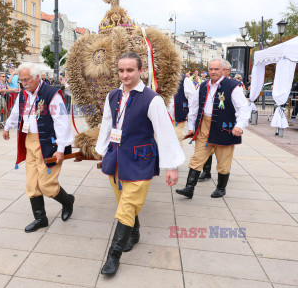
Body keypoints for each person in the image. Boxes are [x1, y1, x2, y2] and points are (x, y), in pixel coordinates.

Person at [95, 52, 183, 276]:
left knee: (126, 207)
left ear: (140, 71)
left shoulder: (152, 99)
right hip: (115, 159)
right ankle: (134, 233)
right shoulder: (113, 96)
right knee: (125, 203)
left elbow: (164, 132)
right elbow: (107, 123)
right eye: (121, 70)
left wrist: (171, 165)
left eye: (130, 70)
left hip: (140, 160)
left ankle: (113, 257)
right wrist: (101, 151)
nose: (125, 75)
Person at [3, 62, 75, 233]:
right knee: (32, 184)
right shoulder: (23, 93)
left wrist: (61, 148)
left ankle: (67, 202)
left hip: (48, 144)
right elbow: (16, 112)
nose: (24, 83)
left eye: (26, 79)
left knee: (46, 185)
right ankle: (40, 218)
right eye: (21, 80)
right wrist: (7, 127)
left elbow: (62, 122)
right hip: (29, 141)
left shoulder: (51, 94)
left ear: (37, 77)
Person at [176, 58, 250, 200]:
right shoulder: (203, 86)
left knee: (223, 160)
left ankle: (221, 188)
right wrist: (191, 126)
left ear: (223, 70)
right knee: (197, 157)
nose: (213, 72)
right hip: (205, 125)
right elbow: (194, 107)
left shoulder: (233, 86)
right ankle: (189, 188)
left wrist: (239, 125)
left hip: (224, 127)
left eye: (216, 69)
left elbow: (242, 108)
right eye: (211, 69)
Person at [169, 74, 196, 142]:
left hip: (178, 118)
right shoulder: (160, 79)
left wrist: (190, 114)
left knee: (175, 141)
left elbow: (193, 98)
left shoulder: (185, 80)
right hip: (163, 117)